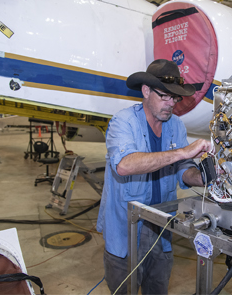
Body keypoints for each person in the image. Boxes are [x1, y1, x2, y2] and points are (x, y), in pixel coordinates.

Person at [96, 59, 213, 294]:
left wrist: (204, 177)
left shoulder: (176, 125)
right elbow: (124, 165)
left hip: (161, 228)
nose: (171, 104)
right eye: (165, 96)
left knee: (157, 288)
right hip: (126, 229)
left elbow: (183, 170)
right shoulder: (123, 121)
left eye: (175, 98)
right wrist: (182, 151)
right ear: (146, 91)